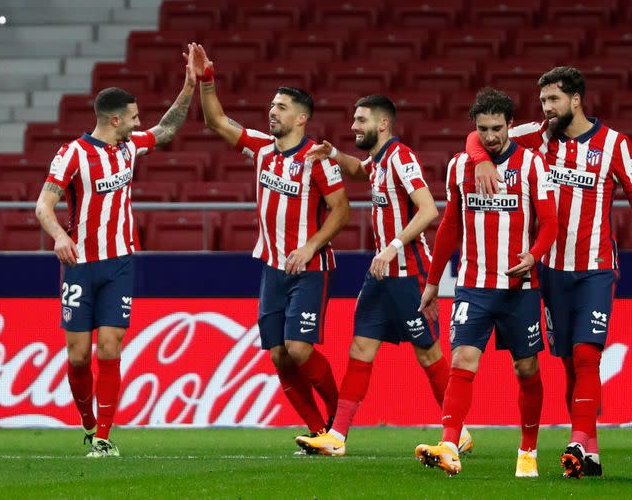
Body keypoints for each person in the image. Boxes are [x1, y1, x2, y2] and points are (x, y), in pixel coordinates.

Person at [467, 67, 632, 478]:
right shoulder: (538, 135)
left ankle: (576, 440)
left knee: (587, 353)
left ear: (576, 99)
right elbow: (479, 134)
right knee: (570, 365)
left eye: (553, 100)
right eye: (542, 102)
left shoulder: (614, 144)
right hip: (551, 270)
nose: (546, 108)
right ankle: (589, 450)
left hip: (594, 268)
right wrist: (481, 160)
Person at [35, 46, 197, 457]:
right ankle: (89, 423)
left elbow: (166, 129)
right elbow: (43, 205)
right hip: (79, 265)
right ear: (114, 119)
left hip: (120, 261)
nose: (139, 123)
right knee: (78, 355)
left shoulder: (128, 147)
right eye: (133, 117)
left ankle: (103, 436)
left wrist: (189, 86)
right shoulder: (73, 153)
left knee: (110, 346)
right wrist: (58, 235)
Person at [189, 43, 350, 448]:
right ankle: (318, 433)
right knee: (279, 356)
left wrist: (311, 245)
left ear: (301, 117)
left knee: (299, 349)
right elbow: (216, 122)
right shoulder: (262, 149)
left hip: (310, 269)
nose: (272, 111)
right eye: (272, 105)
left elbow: (341, 210)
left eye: (281, 107)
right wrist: (206, 81)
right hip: (273, 267)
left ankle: (339, 418)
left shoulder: (318, 158)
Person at [293, 95, 472, 456]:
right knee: (360, 347)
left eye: (360, 120)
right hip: (379, 273)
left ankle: (459, 431)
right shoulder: (378, 160)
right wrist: (333, 156)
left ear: (383, 124)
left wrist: (392, 245)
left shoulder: (401, 157)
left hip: (406, 271)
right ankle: (337, 437)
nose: (353, 126)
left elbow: (427, 210)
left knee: (427, 354)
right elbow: (361, 171)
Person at [415, 88, 558, 477]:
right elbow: (449, 226)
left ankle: (527, 449)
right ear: (474, 129)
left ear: (512, 125)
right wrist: (432, 282)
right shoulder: (459, 165)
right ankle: (449, 443)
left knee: (526, 369)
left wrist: (535, 255)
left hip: (520, 287)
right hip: (473, 285)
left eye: (498, 128)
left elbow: (549, 223)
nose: (491, 136)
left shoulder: (531, 165)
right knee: (462, 359)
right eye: (483, 129)